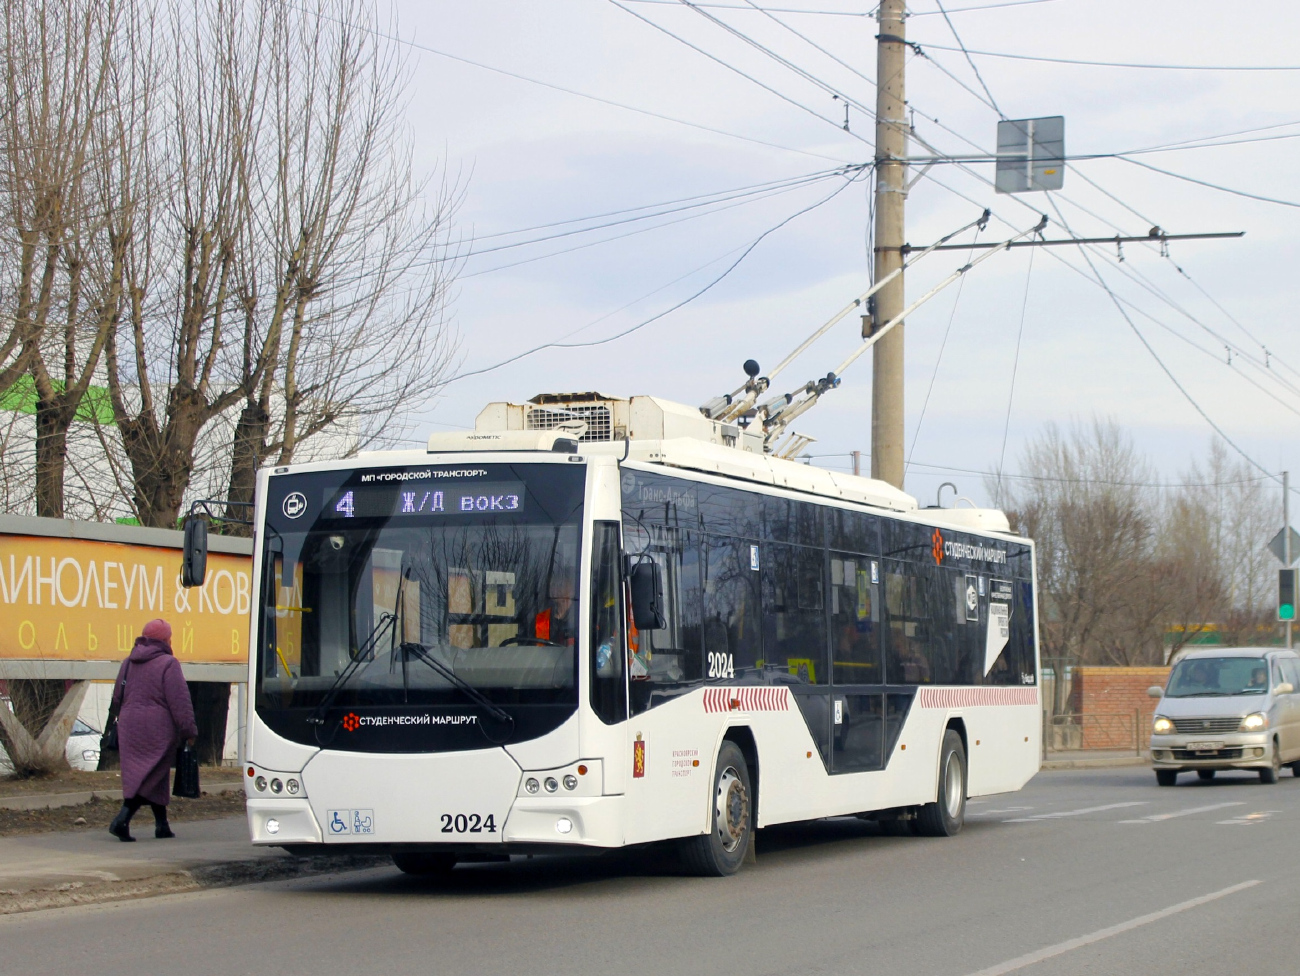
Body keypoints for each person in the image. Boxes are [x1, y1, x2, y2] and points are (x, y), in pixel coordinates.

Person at [108, 619, 198, 842]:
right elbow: (179, 700)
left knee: (150, 774)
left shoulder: (128, 662)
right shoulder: (168, 663)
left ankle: (162, 825)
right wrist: (188, 730)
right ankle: (122, 818)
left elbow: (117, 697)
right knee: (153, 772)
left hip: (130, 725)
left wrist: (114, 723)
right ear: (165, 639)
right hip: (158, 726)